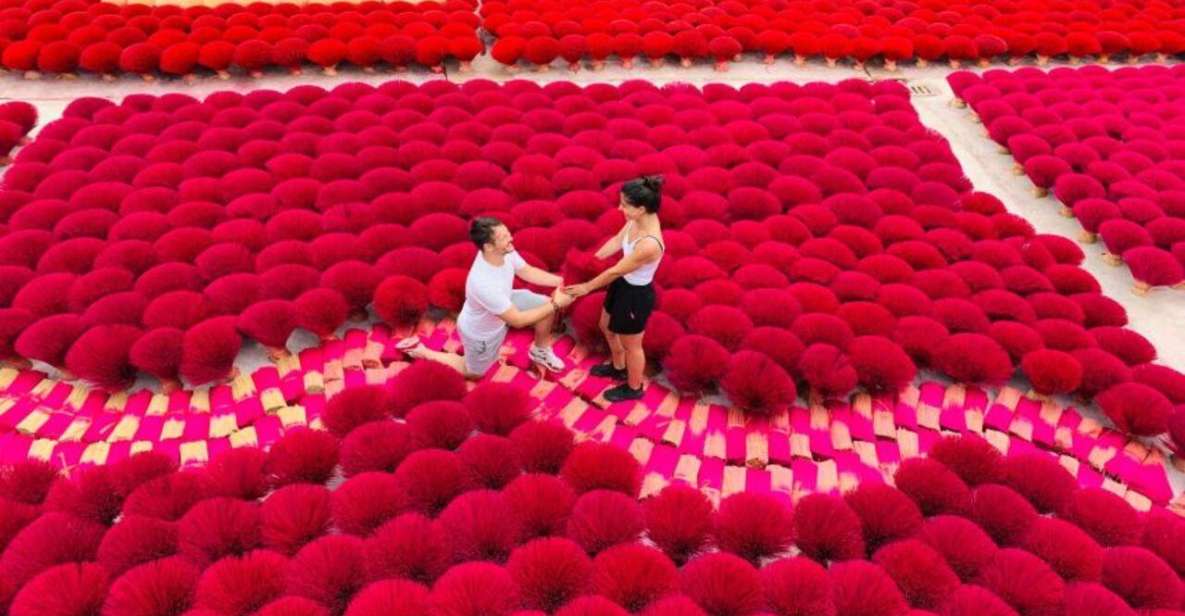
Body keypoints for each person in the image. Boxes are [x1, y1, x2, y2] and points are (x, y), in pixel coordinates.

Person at [400, 216, 573, 378]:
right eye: (504, 237)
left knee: (544, 307)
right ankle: (423, 352)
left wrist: (563, 281)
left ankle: (540, 351)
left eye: (508, 233)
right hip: (482, 331)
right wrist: (557, 304)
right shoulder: (483, 283)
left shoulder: (505, 251)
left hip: (505, 301)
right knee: (473, 373)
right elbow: (517, 320)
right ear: (488, 246)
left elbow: (526, 271)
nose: (511, 239)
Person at [564, 176, 665, 402]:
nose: (620, 208)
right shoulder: (637, 220)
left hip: (636, 296)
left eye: (625, 205)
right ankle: (618, 366)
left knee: (632, 345)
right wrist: (589, 260)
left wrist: (586, 287)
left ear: (640, 209)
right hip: (622, 285)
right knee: (606, 326)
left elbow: (615, 271)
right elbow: (618, 241)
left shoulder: (649, 243)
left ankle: (634, 387)